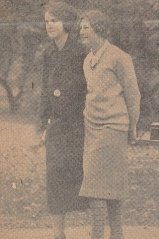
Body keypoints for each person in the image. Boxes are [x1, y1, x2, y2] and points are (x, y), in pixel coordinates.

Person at [78, 10, 141, 239]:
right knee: (107, 188)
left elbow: (133, 95)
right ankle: (117, 236)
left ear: (100, 29)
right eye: (81, 27)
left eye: (87, 27)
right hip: (92, 128)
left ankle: (98, 236)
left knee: (98, 187)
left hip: (113, 129)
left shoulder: (119, 57)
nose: (81, 31)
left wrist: (133, 125)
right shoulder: (88, 61)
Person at [40, 2, 89, 239]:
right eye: (47, 21)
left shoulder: (81, 52)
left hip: (81, 125)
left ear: (66, 23)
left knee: (87, 179)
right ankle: (59, 234)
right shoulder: (48, 53)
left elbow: (92, 88)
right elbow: (44, 92)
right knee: (55, 178)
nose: (49, 25)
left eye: (54, 20)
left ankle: (97, 230)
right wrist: (43, 125)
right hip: (57, 127)